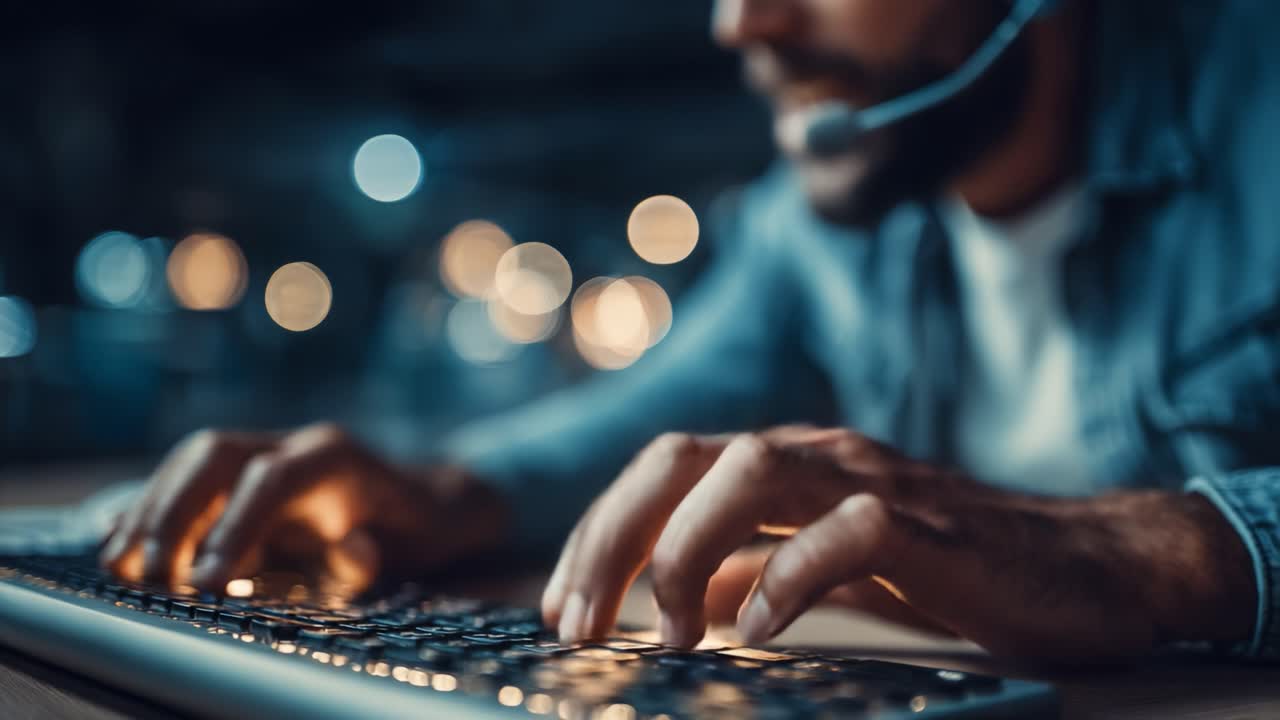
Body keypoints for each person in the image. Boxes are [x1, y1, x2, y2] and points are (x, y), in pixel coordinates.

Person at [102, 0, 1280, 661]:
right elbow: (652, 415)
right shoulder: (818, 228)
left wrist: (1169, 551)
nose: (737, 23)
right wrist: (446, 491)